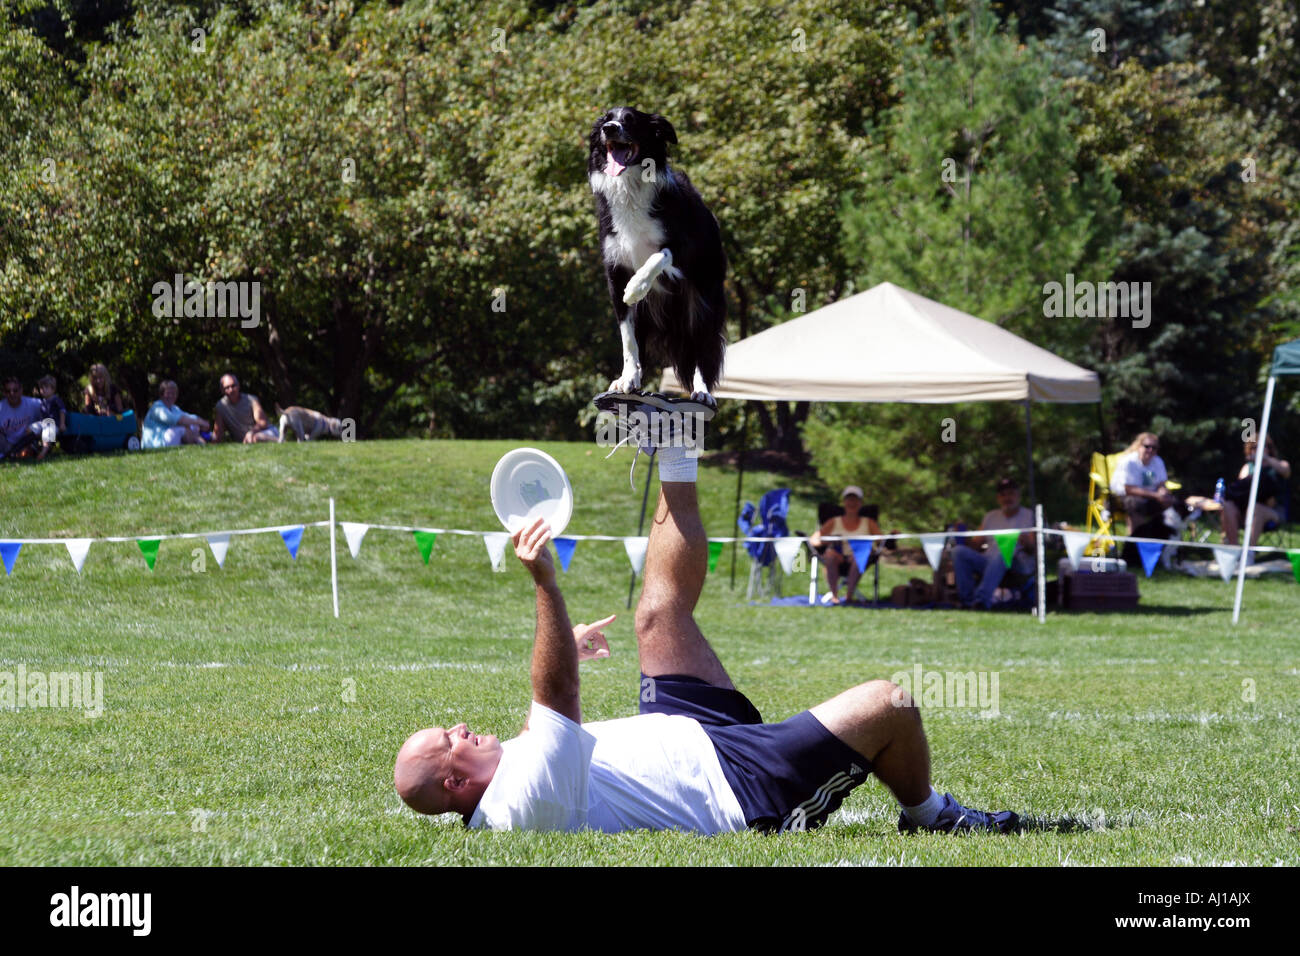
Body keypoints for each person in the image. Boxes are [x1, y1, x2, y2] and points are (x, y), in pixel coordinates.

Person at [394, 406, 1019, 835]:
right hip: (739, 790)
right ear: (453, 783)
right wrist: (544, 582)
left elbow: (542, 723)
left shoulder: (512, 775)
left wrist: (570, 644)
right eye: (447, 740)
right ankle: (930, 813)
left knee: (656, 614)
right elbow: (554, 696)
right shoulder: (523, 804)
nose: (460, 727)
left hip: (688, 732)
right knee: (892, 702)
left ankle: (677, 442)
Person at [953, 477, 1036, 610]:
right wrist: (963, 534)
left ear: (1018, 495)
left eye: (1010, 493)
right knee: (959, 551)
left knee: (1003, 552)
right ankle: (966, 601)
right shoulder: (990, 516)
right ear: (998, 498)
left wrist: (1025, 540)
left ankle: (981, 601)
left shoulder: (1030, 515)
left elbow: (1034, 549)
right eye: (1003, 494)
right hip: (989, 561)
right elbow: (976, 545)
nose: (1007, 498)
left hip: (1017, 565)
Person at [808, 485, 881, 604]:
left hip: (859, 557)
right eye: (849, 499)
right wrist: (830, 540)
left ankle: (849, 596)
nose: (852, 503)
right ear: (844, 502)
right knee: (830, 555)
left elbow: (881, 541)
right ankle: (834, 596)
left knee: (860, 556)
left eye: (855, 500)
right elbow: (814, 540)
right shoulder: (833, 522)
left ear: (860, 503)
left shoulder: (869, 523)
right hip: (838, 556)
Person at [1109, 431, 1186, 539]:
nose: (1150, 450)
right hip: (1121, 498)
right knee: (1135, 503)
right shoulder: (1129, 462)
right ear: (1139, 446)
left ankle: (1169, 542)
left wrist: (1162, 491)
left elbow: (1159, 483)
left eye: (1154, 448)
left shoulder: (1157, 462)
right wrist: (1156, 495)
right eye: (1147, 446)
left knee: (1173, 503)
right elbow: (1129, 489)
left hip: (1148, 496)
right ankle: (1135, 541)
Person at [1221, 435, 1292, 548]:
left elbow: (1286, 471)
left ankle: (1248, 552)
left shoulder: (1280, 464)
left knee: (1256, 508)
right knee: (1228, 506)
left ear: (1269, 448)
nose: (1257, 449)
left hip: (1273, 512)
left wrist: (1266, 459)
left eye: (1261, 446)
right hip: (1246, 512)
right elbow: (1239, 491)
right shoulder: (1248, 467)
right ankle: (1233, 549)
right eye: (1254, 447)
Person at [211, 373, 279, 443]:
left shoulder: (251, 400)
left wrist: (251, 432)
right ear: (222, 390)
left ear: (239, 386)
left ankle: (281, 441)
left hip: (266, 432)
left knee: (256, 437)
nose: (231, 390)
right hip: (247, 441)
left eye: (233, 386)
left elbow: (263, 422)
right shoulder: (221, 406)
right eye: (227, 387)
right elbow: (218, 432)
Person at [142, 380, 210, 449]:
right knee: (182, 428)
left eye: (174, 393)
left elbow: (189, 417)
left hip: (169, 441)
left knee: (193, 425)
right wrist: (201, 422)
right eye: (168, 393)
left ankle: (201, 444)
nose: (171, 395)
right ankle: (201, 443)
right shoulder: (157, 407)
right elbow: (177, 420)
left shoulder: (174, 408)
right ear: (161, 394)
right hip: (155, 444)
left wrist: (201, 422)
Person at [0, 375, 43, 460]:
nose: (12, 394)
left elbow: (51, 417)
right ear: (4, 393)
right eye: (8, 391)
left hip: (28, 442)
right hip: (7, 444)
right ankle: (10, 454)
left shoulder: (34, 404)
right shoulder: (1, 407)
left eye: (15, 390)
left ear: (21, 390)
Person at [32, 375, 69, 461]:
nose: (43, 389)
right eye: (41, 388)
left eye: (46, 387)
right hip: (44, 423)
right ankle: (31, 448)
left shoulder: (56, 400)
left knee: (47, 432)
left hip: (53, 424)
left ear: (53, 389)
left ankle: (43, 451)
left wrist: (62, 424)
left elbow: (62, 411)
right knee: (30, 428)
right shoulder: (42, 402)